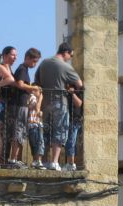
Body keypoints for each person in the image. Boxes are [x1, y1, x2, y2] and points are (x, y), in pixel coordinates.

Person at [34, 42, 82, 171]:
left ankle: (43, 161)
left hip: (45, 102)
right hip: (60, 102)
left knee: (46, 132)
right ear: (65, 52)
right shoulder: (65, 66)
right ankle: (54, 162)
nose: (70, 58)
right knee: (60, 131)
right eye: (70, 56)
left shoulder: (44, 62)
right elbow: (79, 83)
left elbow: (37, 80)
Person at [7, 48, 41, 169]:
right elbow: (20, 84)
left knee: (20, 132)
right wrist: (33, 88)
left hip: (22, 105)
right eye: (34, 61)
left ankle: (15, 159)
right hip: (19, 105)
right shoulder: (22, 69)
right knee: (18, 131)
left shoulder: (24, 69)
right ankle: (13, 159)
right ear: (27, 58)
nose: (35, 64)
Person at [63, 84, 83, 171]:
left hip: (75, 119)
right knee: (71, 141)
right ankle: (70, 163)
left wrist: (72, 93)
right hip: (69, 119)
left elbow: (79, 103)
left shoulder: (77, 91)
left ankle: (71, 163)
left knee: (71, 141)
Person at [27, 91, 45, 169]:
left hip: (33, 124)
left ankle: (35, 161)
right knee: (39, 142)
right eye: (39, 91)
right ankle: (38, 161)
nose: (40, 92)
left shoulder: (33, 98)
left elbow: (37, 111)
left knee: (35, 143)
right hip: (35, 124)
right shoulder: (33, 97)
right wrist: (40, 98)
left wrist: (40, 113)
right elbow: (37, 107)